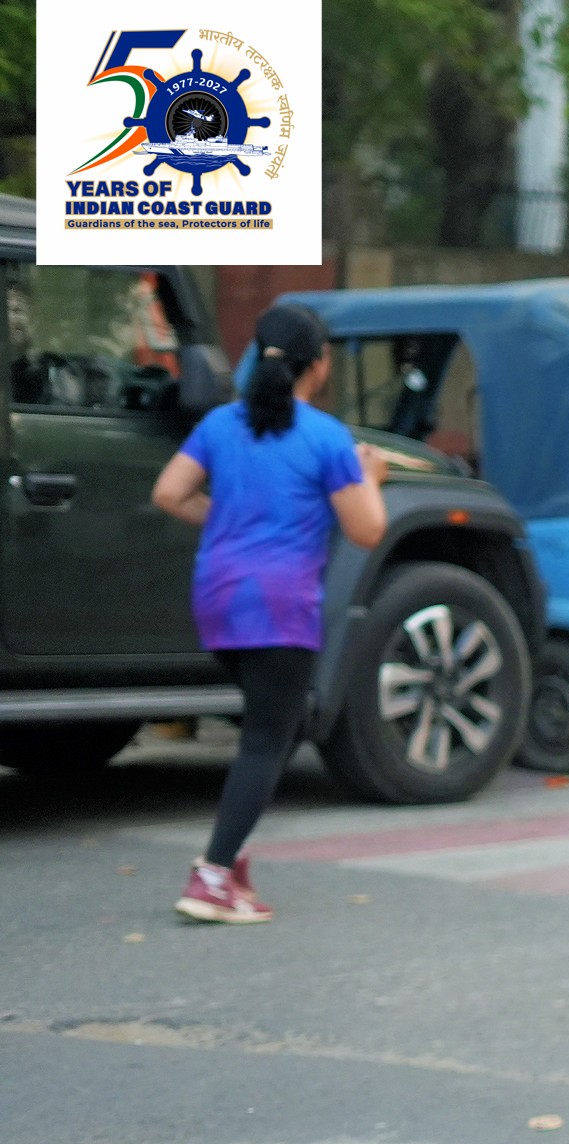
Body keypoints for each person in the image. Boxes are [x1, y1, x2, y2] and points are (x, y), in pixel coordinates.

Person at [149, 302, 388, 924]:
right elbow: (367, 529)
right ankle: (212, 876)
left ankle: (232, 857)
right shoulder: (327, 438)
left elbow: (169, 492)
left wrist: (229, 520)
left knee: (285, 723)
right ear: (320, 364)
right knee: (267, 737)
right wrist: (372, 477)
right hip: (280, 607)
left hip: (218, 600)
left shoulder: (221, 425)